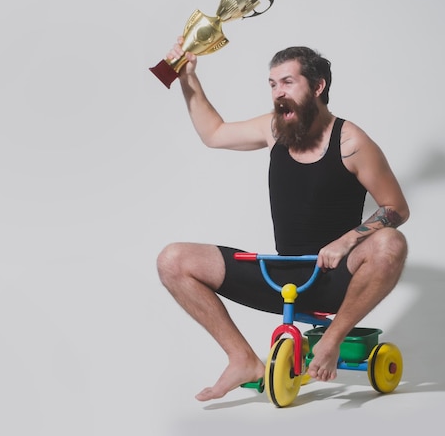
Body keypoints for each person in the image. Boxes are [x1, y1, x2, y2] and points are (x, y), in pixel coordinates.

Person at [156, 37, 410, 402]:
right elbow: (214, 134)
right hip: (284, 274)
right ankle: (242, 359)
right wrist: (187, 77)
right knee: (173, 260)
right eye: (273, 84)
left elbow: (395, 207)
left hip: (335, 278)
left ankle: (331, 340)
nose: (278, 93)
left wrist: (346, 241)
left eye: (288, 82)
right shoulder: (275, 129)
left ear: (318, 86)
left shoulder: (351, 141)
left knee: (391, 244)